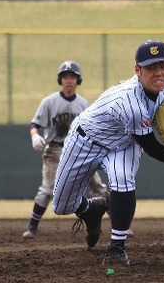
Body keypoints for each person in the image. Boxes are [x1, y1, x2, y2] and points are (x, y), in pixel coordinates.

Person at [52, 40, 164, 265]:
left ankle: (117, 247)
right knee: (61, 206)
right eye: (150, 68)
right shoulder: (129, 101)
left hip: (124, 143)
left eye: (163, 66)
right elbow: (149, 145)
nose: (158, 73)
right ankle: (90, 209)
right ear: (137, 70)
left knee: (122, 179)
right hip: (86, 140)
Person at [22, 60, 109, 239]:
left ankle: (119, 225)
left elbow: (93, 129)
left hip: (80, 152)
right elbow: (35, 124)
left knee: (99, 188)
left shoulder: (84, 104)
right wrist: (34, 135)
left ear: (78, 81)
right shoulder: (49, 102)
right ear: (60, 80)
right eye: (65, 77)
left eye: (72, 77)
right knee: (47, 190)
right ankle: (32, 227)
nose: (69, 80)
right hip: (54, 150)